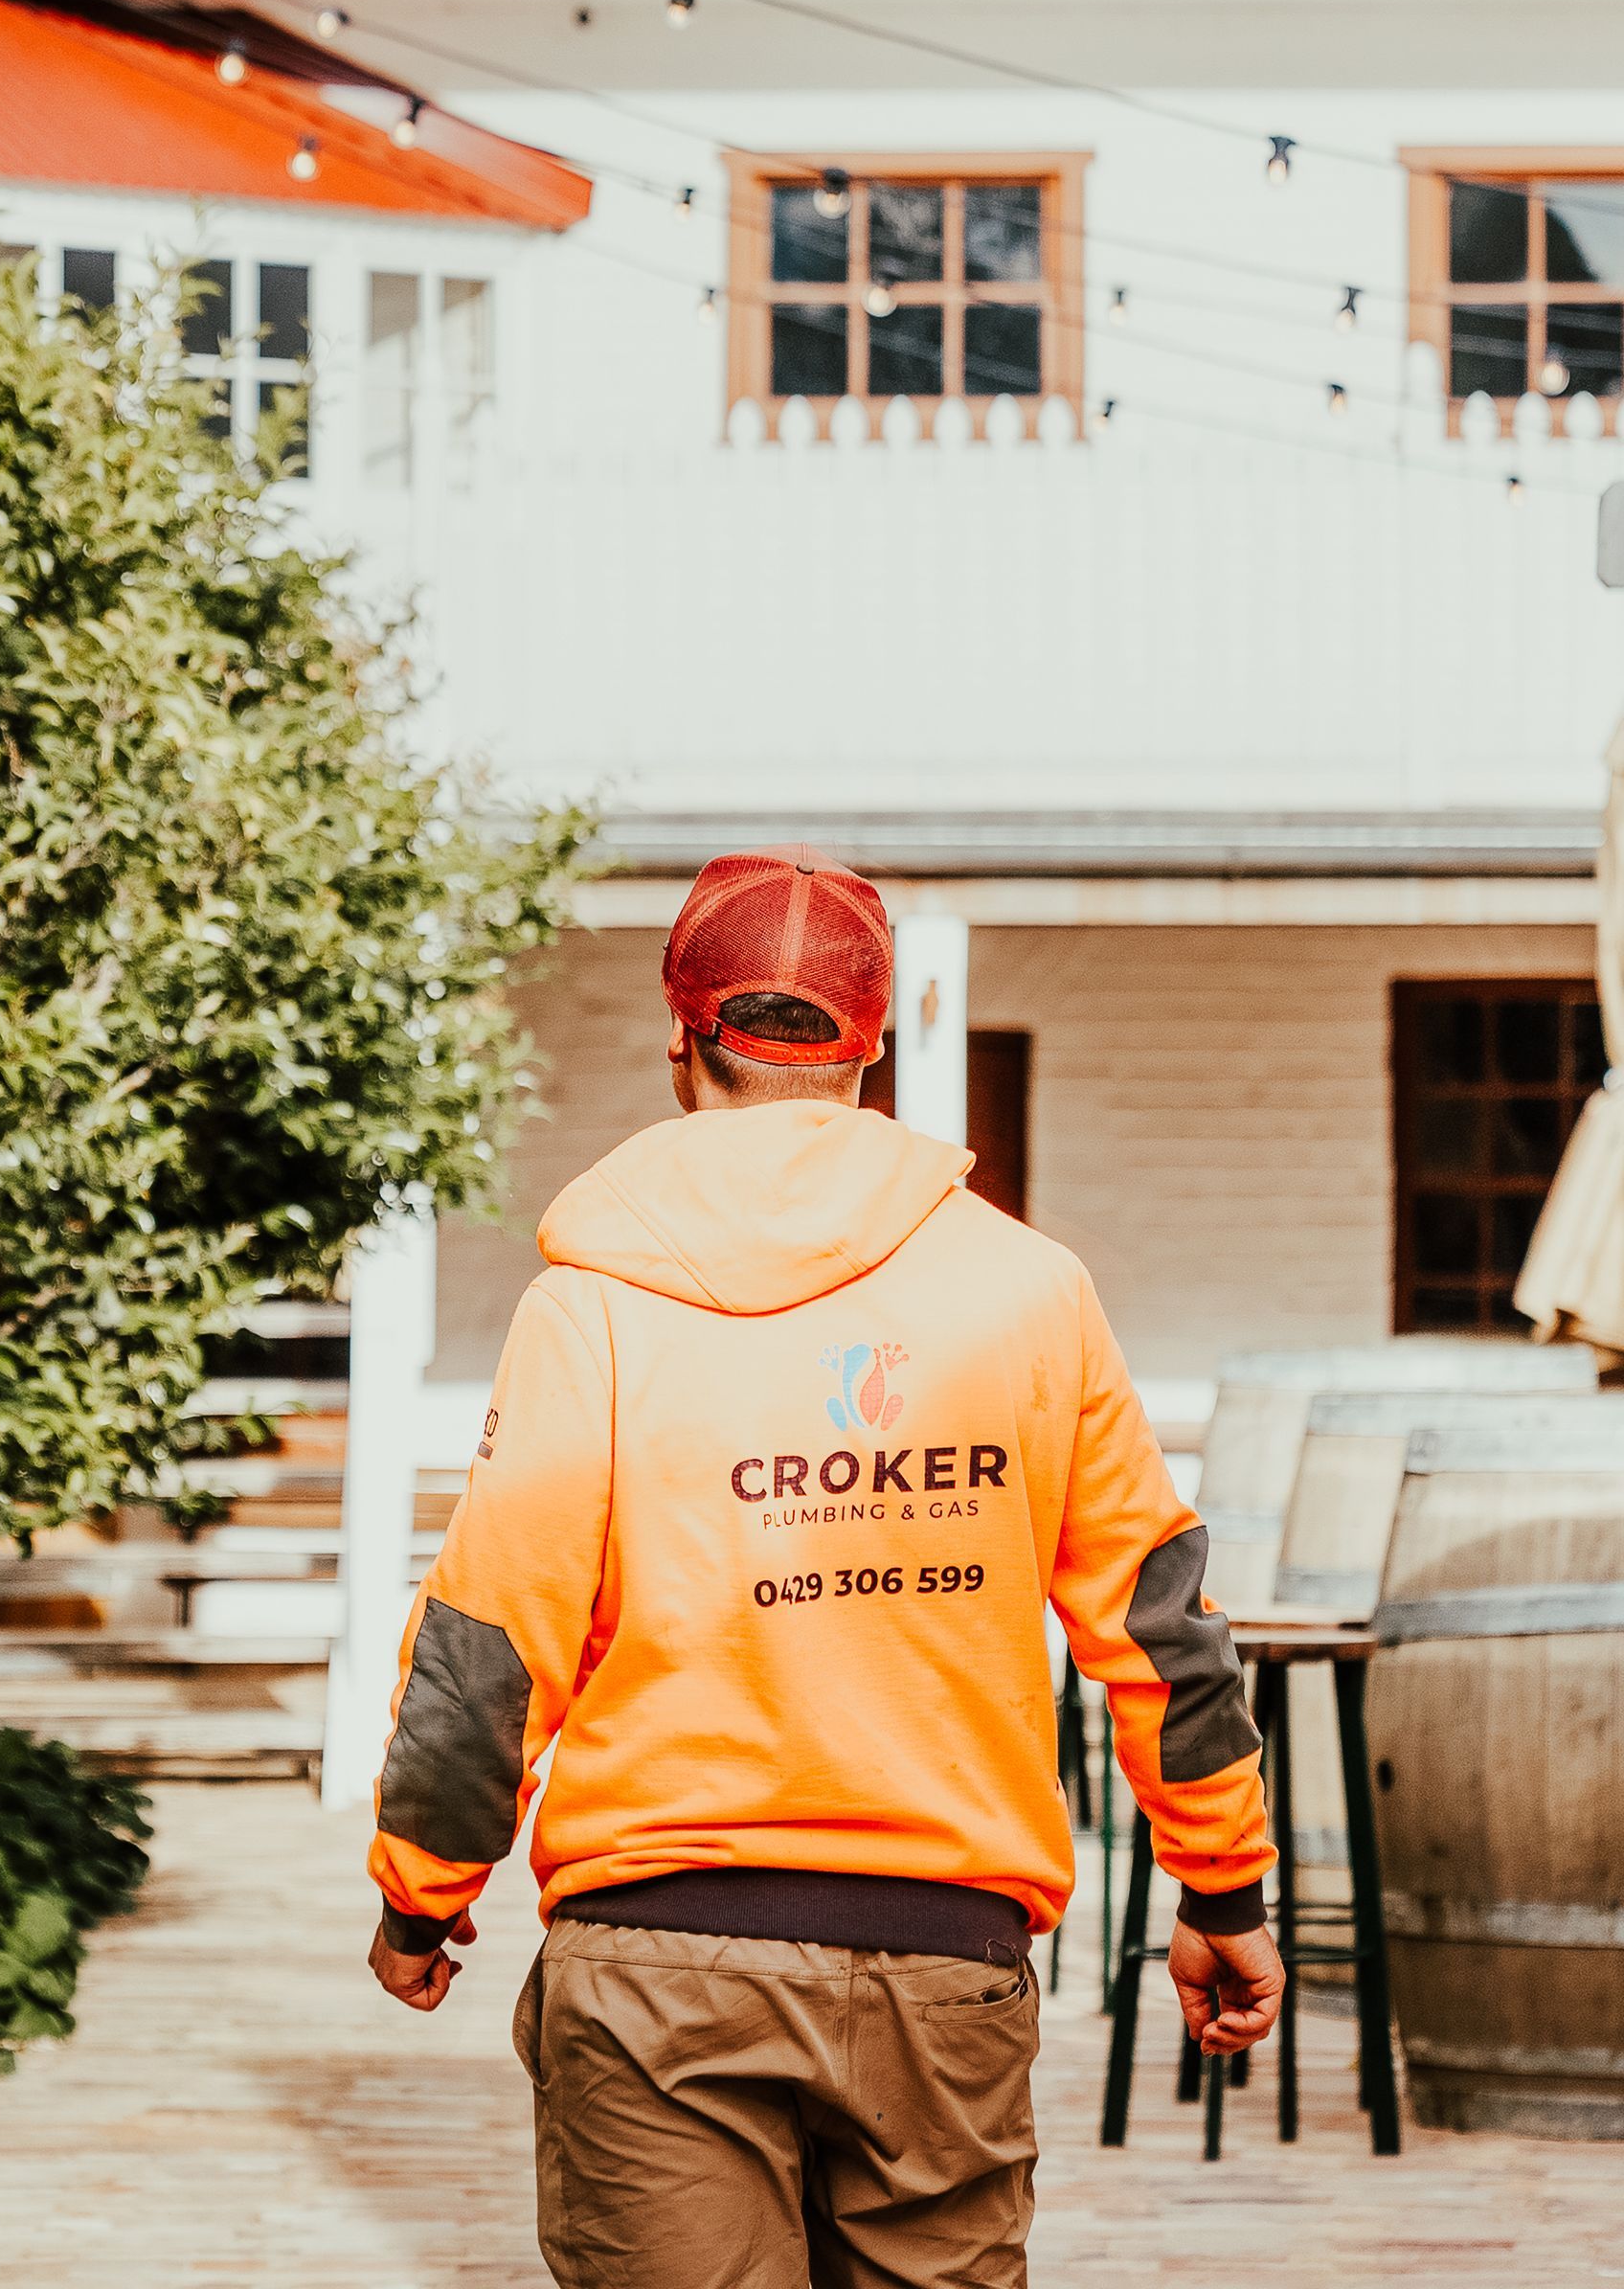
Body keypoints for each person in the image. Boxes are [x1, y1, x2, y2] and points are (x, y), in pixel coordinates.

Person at [368, 848, 1283, 2289]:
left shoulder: (594, 1306)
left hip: (656, 1968)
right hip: (946, 1970)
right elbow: (1160, 1626)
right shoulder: (1029, 1293)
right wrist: (1222, 1893)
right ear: (873, 1049)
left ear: (681, 1043)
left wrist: (423, 1889)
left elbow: (491, 1640)